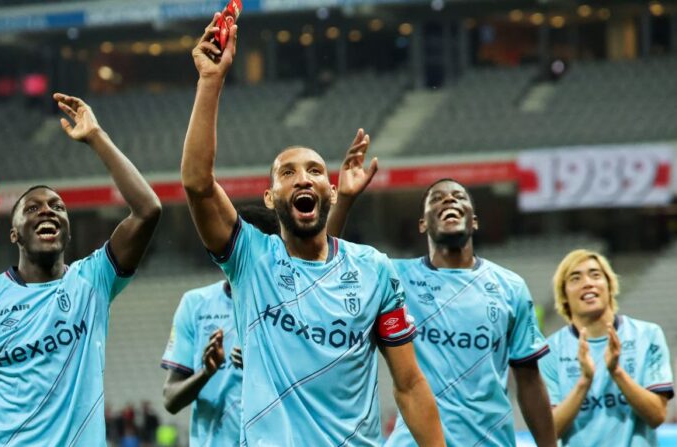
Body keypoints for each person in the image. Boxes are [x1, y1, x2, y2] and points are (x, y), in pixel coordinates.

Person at [180, 13, 444, 446]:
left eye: (316, 170)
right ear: (270, 198)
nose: (303, 178)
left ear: (332, 191)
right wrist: (211, 81)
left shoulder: (373, 269)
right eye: (287, 172)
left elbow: (410, 383)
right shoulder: (251, 260)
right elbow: (196, 183)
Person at [0, 93, 162, 446]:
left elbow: (148, 209)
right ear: (14, 234)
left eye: (57, 206)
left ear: (66, 229)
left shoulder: (93, 281)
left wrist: (96, 137)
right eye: (32, 208)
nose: (47, 211)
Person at [329, 170, 557, 446]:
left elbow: (529, 381)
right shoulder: (393, 276)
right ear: (423, 224)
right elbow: (325, 267)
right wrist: (344, 200)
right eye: (437, 199)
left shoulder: (510, 286)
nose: (449, 200)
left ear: (474, 221)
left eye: (459, 196)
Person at [161, 205, 279, 447]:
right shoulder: (196, 304)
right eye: (230, 244)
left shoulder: (290, 306)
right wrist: (206, 372)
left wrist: (261, 363)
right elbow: (171, 399)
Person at [539, 249, 673, 446]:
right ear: (564, 294)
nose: (588, 283)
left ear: (609, 286)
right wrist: (584, 381)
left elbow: (657, 416)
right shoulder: (549, 350)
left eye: (595, 275)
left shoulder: (648, 335)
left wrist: (617, 372)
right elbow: (549, 432)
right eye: (575, 278)